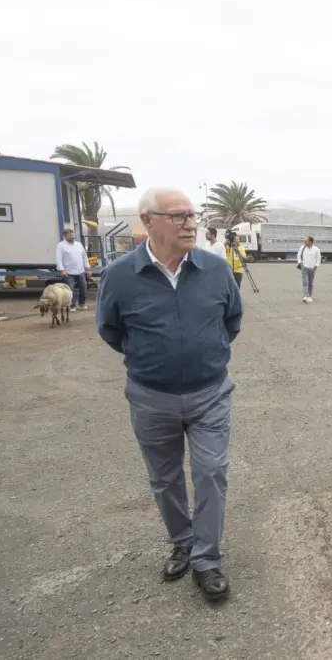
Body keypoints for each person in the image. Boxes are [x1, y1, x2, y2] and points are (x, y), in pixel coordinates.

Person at [95, 188, 243, 601]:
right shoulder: (120, 276)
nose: (190, 224)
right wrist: (151, 360)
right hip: (151, 396)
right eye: (178, 216)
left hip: (210, 393)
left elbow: (232, 320)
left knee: (211, 472)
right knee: (165, 478)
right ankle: (182, 542)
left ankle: (206, 559)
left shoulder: (216, 270)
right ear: (148, 221)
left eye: (192, 215)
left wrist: (204, 354)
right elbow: (110, 329)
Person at [55, 228, 91, 311]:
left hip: (80, 271)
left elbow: (84, 257)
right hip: (68, 272)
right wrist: (62, 270)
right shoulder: (61, 246)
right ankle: (72, 306)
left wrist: (88, 268)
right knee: (70, 289)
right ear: (65, 236)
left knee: (83, 288)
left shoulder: (79, 244)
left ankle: (82, 304)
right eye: (70, 235)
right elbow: (58, 258)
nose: (72, 237)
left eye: (73, 235)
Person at [296, 235, 321, 303]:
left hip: (312, 268)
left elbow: (318, 259)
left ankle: (310, 296)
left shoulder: (316, 249)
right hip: (304, 267)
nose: (305, 242)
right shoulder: (302, 247)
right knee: (305, 282)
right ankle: (305, 296)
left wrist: (315, 267)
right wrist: (301, 264)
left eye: (306, 241)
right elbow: (298, 256)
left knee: (310, 282)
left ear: (310, 242)